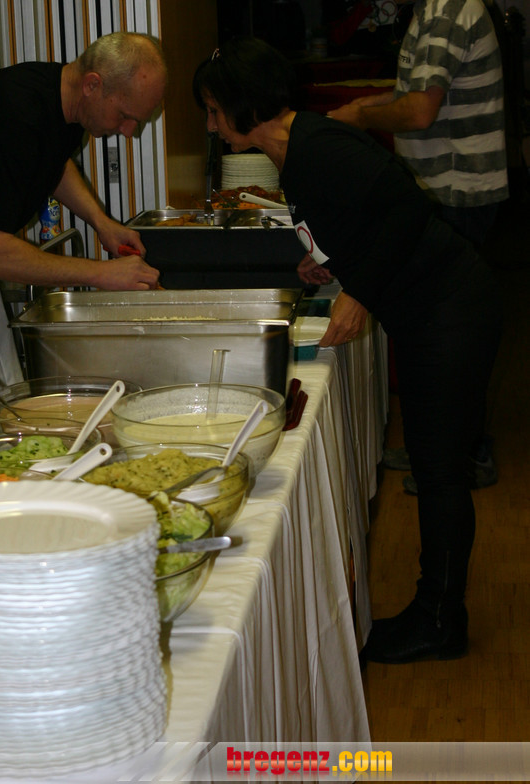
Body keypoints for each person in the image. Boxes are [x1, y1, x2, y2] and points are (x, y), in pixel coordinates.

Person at [193, 36, 502, 664]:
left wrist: (358, 290)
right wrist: (329, 262)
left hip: (451, 308)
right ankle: (436, 611)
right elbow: (366, 217)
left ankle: (440, 621)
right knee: (433, 464)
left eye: (213, 110)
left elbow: (407, 211)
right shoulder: (294, 149)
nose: (210, 125)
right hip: (430, 308)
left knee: (439, 471)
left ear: (242, 104)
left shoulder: (317, 147)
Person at [0, 31, 166, 468]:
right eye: (125, 117)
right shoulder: (11, 113)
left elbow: (53, 163)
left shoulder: (63, 101)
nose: (128, 132)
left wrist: (101, 222)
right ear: (93, 84)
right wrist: (100, 273)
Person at [328, 0, 508, 489]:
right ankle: (441, 447)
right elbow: (419, 94)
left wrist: (359, 116)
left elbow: (420, 111)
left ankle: (462, 457)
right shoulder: (441, 5)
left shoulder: (445, 11)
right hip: (452, 190)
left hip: (458, 195)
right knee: (442, 330)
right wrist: (363, 105)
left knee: (449, 336)